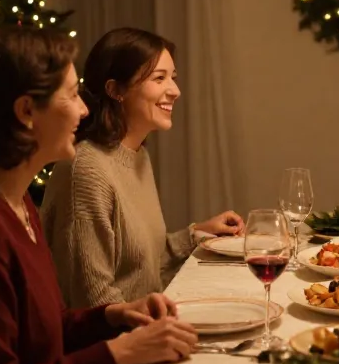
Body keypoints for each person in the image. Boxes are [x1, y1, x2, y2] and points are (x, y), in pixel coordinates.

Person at [0, 27, 199, 364]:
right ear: (26, 112)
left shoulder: (14, 200)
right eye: (71, 96)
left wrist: (114, 315)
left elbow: (46, 330)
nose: (84, 109)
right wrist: (120, 352)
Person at [42, 28, 245, 308]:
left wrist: (196, 234)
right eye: (158, 78)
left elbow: (141, 268)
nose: (175, 91)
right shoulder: (87, 170)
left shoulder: (137, 156)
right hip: (117, 343)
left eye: (172, 78)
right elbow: (93, 304)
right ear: (115, 90)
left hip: (144, 327)